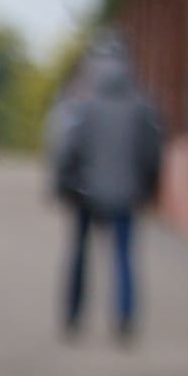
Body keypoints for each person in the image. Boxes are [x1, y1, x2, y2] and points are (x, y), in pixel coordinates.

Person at [45, 37, 167, 344]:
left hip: (86, 192)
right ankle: (125, 317)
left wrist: (62, 184)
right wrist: (149, 187)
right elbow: (152, 152)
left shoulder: (84, 106)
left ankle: (73, 314)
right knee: (124, 256)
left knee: (79, 256)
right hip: (127, 193)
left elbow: (69, 149)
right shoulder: (142, 107)